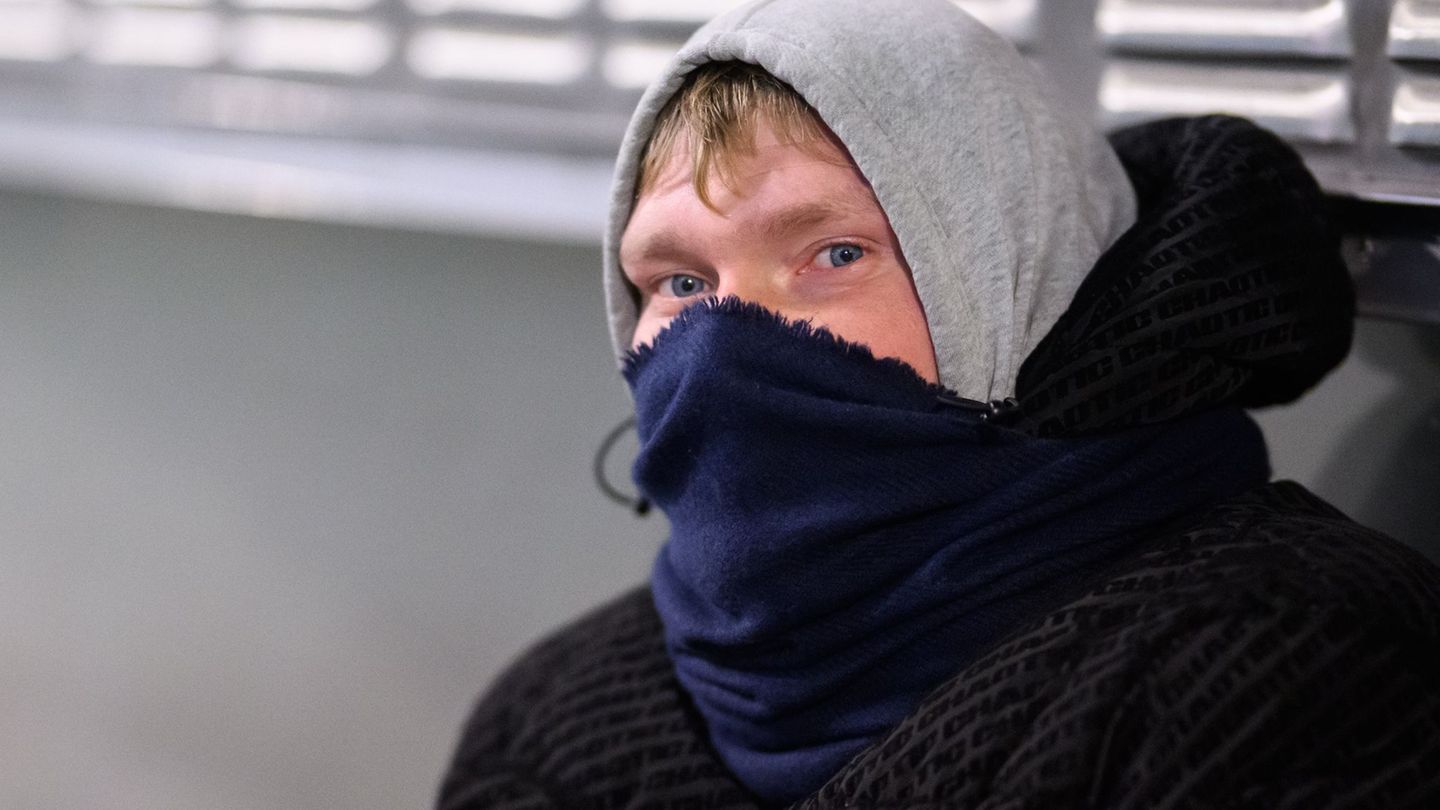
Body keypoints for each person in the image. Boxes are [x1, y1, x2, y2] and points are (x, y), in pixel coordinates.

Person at [437, 0, 1440, 806]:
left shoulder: (1281, 672)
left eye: (834, 255)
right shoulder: (558, 721)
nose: (723, 342)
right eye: (682, 283)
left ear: (1025, 283)